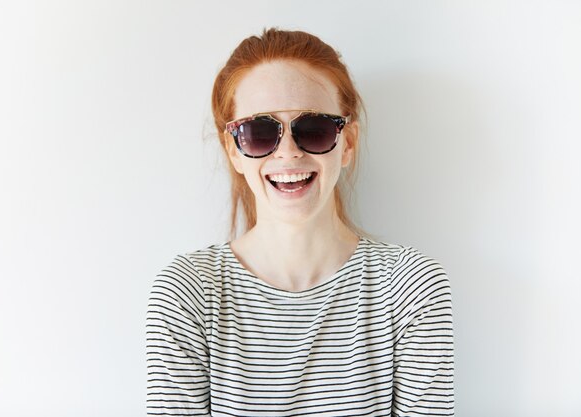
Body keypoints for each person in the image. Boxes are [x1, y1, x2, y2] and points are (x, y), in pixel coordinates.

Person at [146, 28, 454, 416]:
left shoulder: (410, 289)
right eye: (259, 133)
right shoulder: (189, 293)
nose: (288, 152)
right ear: (234, 151)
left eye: (314, 129)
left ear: (349, 143)